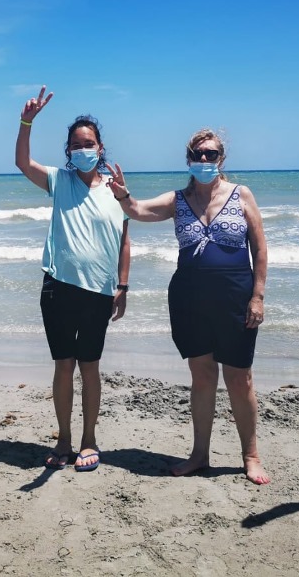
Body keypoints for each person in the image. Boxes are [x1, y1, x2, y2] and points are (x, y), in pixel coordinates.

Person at [106, 128, 270, 484]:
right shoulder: (178, 199)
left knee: (240, 378)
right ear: (189, 160)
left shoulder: (241, 195)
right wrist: (123, 195)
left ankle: (251, 455)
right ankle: (199, 454)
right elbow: (138, 211)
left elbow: (259, 247)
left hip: (235, 298)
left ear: (221, 159)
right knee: (202, 377)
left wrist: (257, 295)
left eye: (211, 154)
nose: (205, 160)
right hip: (189, 299)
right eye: (199, 154)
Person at [15, 88, 130, 472]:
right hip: (58, 288)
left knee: (90, 366)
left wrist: (123, 286)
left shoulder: (115, 189)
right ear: (68, 150)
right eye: (76, 145)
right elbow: (21, 162)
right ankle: (64, 438)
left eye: (89, 143)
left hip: (99, 292)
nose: (83, 149)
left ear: (100, 146)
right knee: (63, 365)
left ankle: (89, 439)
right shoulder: (59, 180)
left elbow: (124, 239)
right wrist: (27, 121)